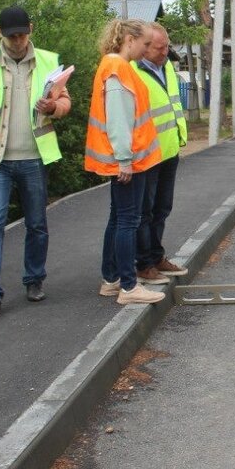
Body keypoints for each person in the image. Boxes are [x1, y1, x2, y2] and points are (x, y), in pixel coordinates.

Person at [0, 6, 72, 313]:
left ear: (30, 29)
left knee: (37, 223)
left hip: (34, 157)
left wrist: (54, 108)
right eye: (11, 36)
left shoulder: (49, 60)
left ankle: (34, 279)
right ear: (0, 34)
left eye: (22, 34)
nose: (18, 41)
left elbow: (65, 101)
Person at [86, 19, 165, 305]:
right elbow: (118, 120)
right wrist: (124, 160)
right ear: (129, 39)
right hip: (130, 160)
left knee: (118, 218)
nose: (146, 50)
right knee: (128, 221)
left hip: (127, 158)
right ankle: (129, 287)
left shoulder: (114, 66)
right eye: (145, 44)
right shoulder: (118, 69)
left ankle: (112, 279)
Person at [132, 22, 188, 285]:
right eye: (159, 47)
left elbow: (172, 107)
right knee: (145, 211)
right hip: (146, 153)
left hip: (169, 149)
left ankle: (157, 256)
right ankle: (143, 264)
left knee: (162, 208)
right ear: (144, 48)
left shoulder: (166, 67)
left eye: (167, 46)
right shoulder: (132, 70)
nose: (166, 52)